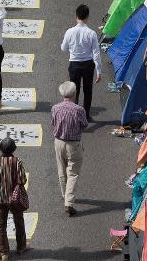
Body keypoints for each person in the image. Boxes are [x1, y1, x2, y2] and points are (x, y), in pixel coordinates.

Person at [0, 137, 29, 260]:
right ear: (14, 149)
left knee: (1, 225)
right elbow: (23, 180)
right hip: (15, 199)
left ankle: (4, 252)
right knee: (19, 222)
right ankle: (21, 246)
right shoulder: (17, 161)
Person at [51, 81, 87, 216]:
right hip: (73, 144)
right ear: (75, 93)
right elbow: (84, 124)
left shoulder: (55, 108)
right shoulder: (79, 110)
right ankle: (69, 202)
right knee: (73, 173)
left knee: (61, 170)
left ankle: (64, 194)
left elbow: (53, 122)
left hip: (59, 142)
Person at [60, 4, 101, 120]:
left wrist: (72, 50)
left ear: (76, 16)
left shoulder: (69, 32)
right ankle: (86, 115)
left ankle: (74, 115)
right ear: (87, 17)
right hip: (88, 64)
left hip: (74, 64)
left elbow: (63, 48)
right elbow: (96, 53)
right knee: (88, 91)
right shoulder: (91, 33)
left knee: (74, 91)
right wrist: (99, 71)